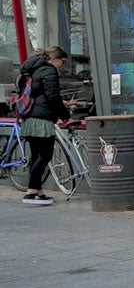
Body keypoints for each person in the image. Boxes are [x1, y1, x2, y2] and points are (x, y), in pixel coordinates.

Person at [18, 46, 72, 205]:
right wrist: (65, 115)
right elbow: (53, 96)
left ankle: (37, 192)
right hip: (42, 120)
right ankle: (30, 193)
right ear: (55, 59)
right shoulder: (49, 71)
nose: (62, 65)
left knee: (36, 156)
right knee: (45, 156)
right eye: (62, 61)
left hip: (29, 118)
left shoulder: (33, 69)